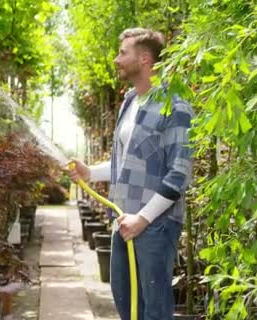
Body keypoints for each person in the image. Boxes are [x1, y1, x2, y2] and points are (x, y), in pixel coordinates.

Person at [68, 28, 193, 320]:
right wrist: (91, 172)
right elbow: (126, 163)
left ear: (145, 58)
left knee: (154, 310)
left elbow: (179, 173)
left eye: (123, 53)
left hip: (155, 226)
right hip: (123, 221)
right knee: (125, 302)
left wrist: (142, 219)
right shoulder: (129, 101)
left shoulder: (175, 105)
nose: (116, 59)